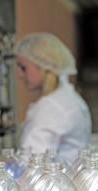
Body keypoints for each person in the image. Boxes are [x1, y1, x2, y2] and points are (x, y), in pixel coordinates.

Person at [14, 32, 92, 166]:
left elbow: (31, 161)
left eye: (23, 67)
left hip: (54, 183)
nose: (20, 75)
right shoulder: (66, 97)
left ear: (42, 64)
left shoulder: (53, 105)